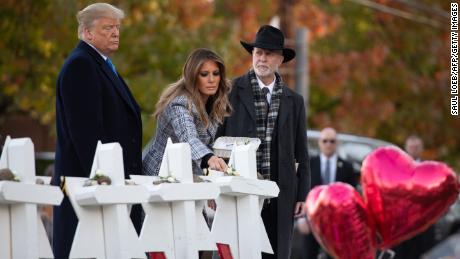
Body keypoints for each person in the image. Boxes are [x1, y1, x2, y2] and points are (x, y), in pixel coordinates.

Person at [53, 3, 143, 258]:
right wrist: (103, 182)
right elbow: (86, 134)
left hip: (108, 186)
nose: (115, 33)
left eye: (117, 27)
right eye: (107, 28)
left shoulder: (99, 63)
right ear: (87, 32)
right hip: (91, 188)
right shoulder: (81, 65)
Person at [217, 25, 310, 258]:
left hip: (281, 193)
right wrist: (214, 188)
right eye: (258, 52)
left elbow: (302, 152)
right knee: (239, 252)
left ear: (280, 59)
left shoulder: (294, 101)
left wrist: (303, 195)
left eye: (268, 54)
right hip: (240, 190)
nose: (262, 58)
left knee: (276, 253)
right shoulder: (230, 91)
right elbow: (215, 142)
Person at [142, 48, 231, 177]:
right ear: (193, 76)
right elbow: (188, 138)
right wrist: (210, 158)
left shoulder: (214, 103)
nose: (211, 79)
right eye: (204, 74)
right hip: (160, 174)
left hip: (188, 174)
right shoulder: (179, 103)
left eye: (216, 73)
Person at [298, 127, 356, 259]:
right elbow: (301, 191)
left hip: (337, 224)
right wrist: (300, 219)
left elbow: (351, 197)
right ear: (319, 143)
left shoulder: (347, 167)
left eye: (332, 141)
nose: (328, 144)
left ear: (337, 143)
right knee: (308, 254)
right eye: (325, 141)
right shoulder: (309, 164)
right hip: (311, 221)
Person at [392, 135, 436, 259]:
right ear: (406, 148)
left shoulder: (429, 169)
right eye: (411, 147)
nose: (414, 150)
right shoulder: (396, 168)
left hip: (422, 224)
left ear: (421, 149)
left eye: (417, 147)